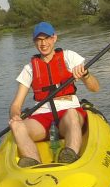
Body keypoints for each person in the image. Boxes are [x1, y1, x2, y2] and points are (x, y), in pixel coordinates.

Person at [8, 22, 99, 166]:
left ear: (54, 38)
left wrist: (86, 75)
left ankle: (69, 157)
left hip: (68, 116)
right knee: (16, 126)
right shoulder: (29, 68)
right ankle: (34, 164)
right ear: (34, 42)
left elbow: (95, 88)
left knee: (71, 113)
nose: (43, 43)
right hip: (42, 120)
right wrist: (15, 116)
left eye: (47, 38)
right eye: (39, 40)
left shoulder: (69, 57)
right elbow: (16, 104)